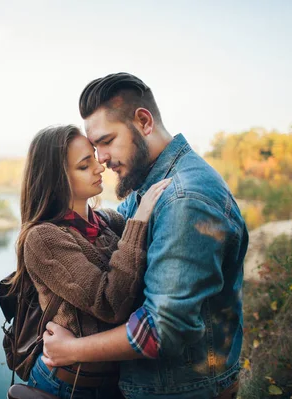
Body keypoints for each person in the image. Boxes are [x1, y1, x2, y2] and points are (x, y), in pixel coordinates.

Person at [42, 73, 248, 399]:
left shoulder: (183, 199)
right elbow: (110, 231)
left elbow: (163, 330)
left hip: (180, 390)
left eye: (106, 141)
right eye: (94, 148)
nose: (101, 159)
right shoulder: (152, 183)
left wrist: (72, 351)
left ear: (143, 122)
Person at [13, 124, 170, 399]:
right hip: (66, 387)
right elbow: (110, 304)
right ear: (57, 179)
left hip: (110, 385)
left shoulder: (108, 222)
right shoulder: (44, 238)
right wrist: (139, 221)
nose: (99, 168)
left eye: (94, 157)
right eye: (84, 166)